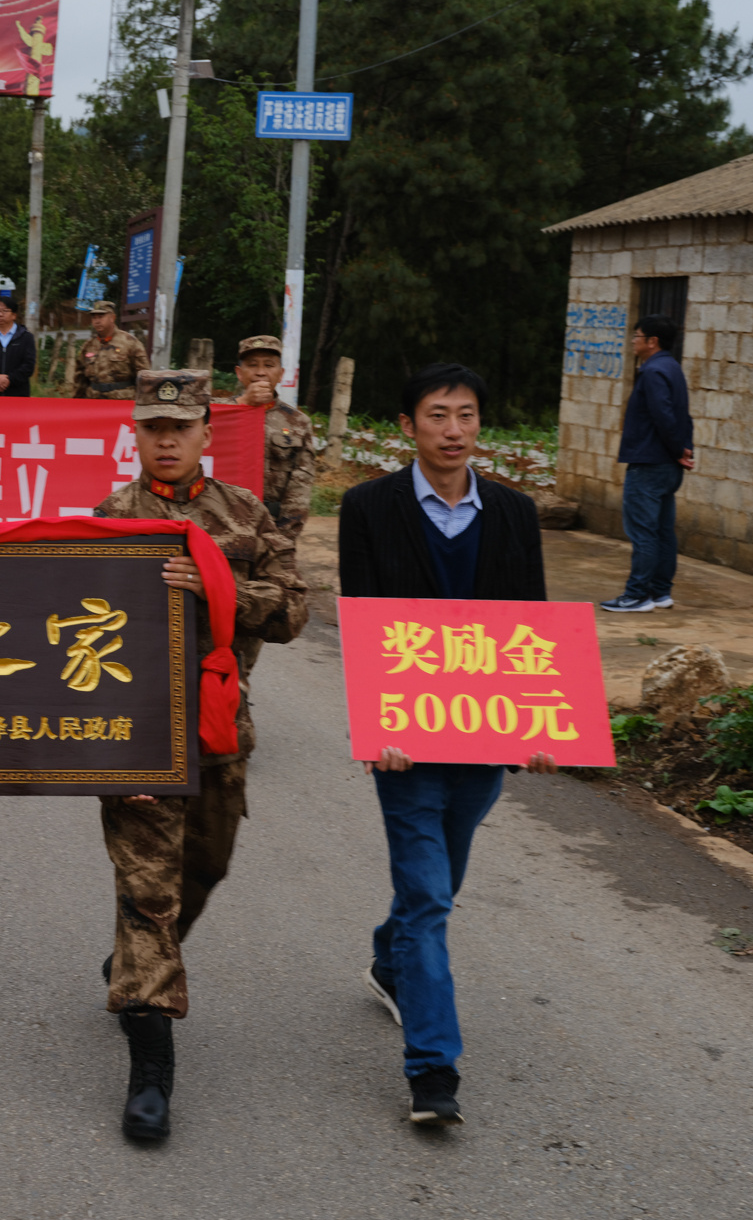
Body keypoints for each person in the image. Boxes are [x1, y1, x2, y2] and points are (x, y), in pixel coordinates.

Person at [91, 369, 307, 1140]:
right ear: (136, 434)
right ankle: (151, 1069)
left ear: (206, 435)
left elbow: (291, 608)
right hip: (137, 731)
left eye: (180, 426)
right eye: (152, 427)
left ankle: (131, 956)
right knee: (150, 892)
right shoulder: (110, 516)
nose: (167, 439)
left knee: (203, 870)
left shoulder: (243, 511)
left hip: (220, 730)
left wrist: (217, 586)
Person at [338, 363, 556, 1125]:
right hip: (405, 748)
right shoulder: (367, 507)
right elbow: (363, 616)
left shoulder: (513, 512)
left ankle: (386, 956)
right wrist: (379, 725)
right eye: (437, 414)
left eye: (465, 414)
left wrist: (533, 725)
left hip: (481, 743)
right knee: (430, 897)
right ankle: (433, 1069)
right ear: (408, 426)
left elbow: (529, 621)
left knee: (437, 883)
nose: (453, 428)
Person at [601, 314, 695, 613]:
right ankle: (660, 592)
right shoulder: (672, 368)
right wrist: (684, 449)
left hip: (650, 464)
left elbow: (664, 417)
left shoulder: (653, 372)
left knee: (643, 533)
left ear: (652, 341)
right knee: (663, 531)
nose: (633, 340)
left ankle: (637, 595)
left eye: (637, 335)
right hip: (668, 466)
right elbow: (684, 416)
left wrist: (677, 449)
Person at [233, 335, 318, 542]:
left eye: (269, 365)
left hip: (273, 526)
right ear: (239, 373)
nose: (260, 372)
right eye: (252, 365)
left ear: (280, 374)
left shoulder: (298, 423)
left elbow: (300, 485)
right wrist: (243, 404)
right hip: (224, 523)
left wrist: (282, 538)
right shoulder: (219, 415)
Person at [74, 300, 149, 400]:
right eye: (94, 317)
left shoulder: (130, 343)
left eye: (101, 317)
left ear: (112, 318)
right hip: (93, 401)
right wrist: (76, 402)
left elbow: (144, 377)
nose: (97, 321)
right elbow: (80, 379)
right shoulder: (88, 346)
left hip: (121, 402)